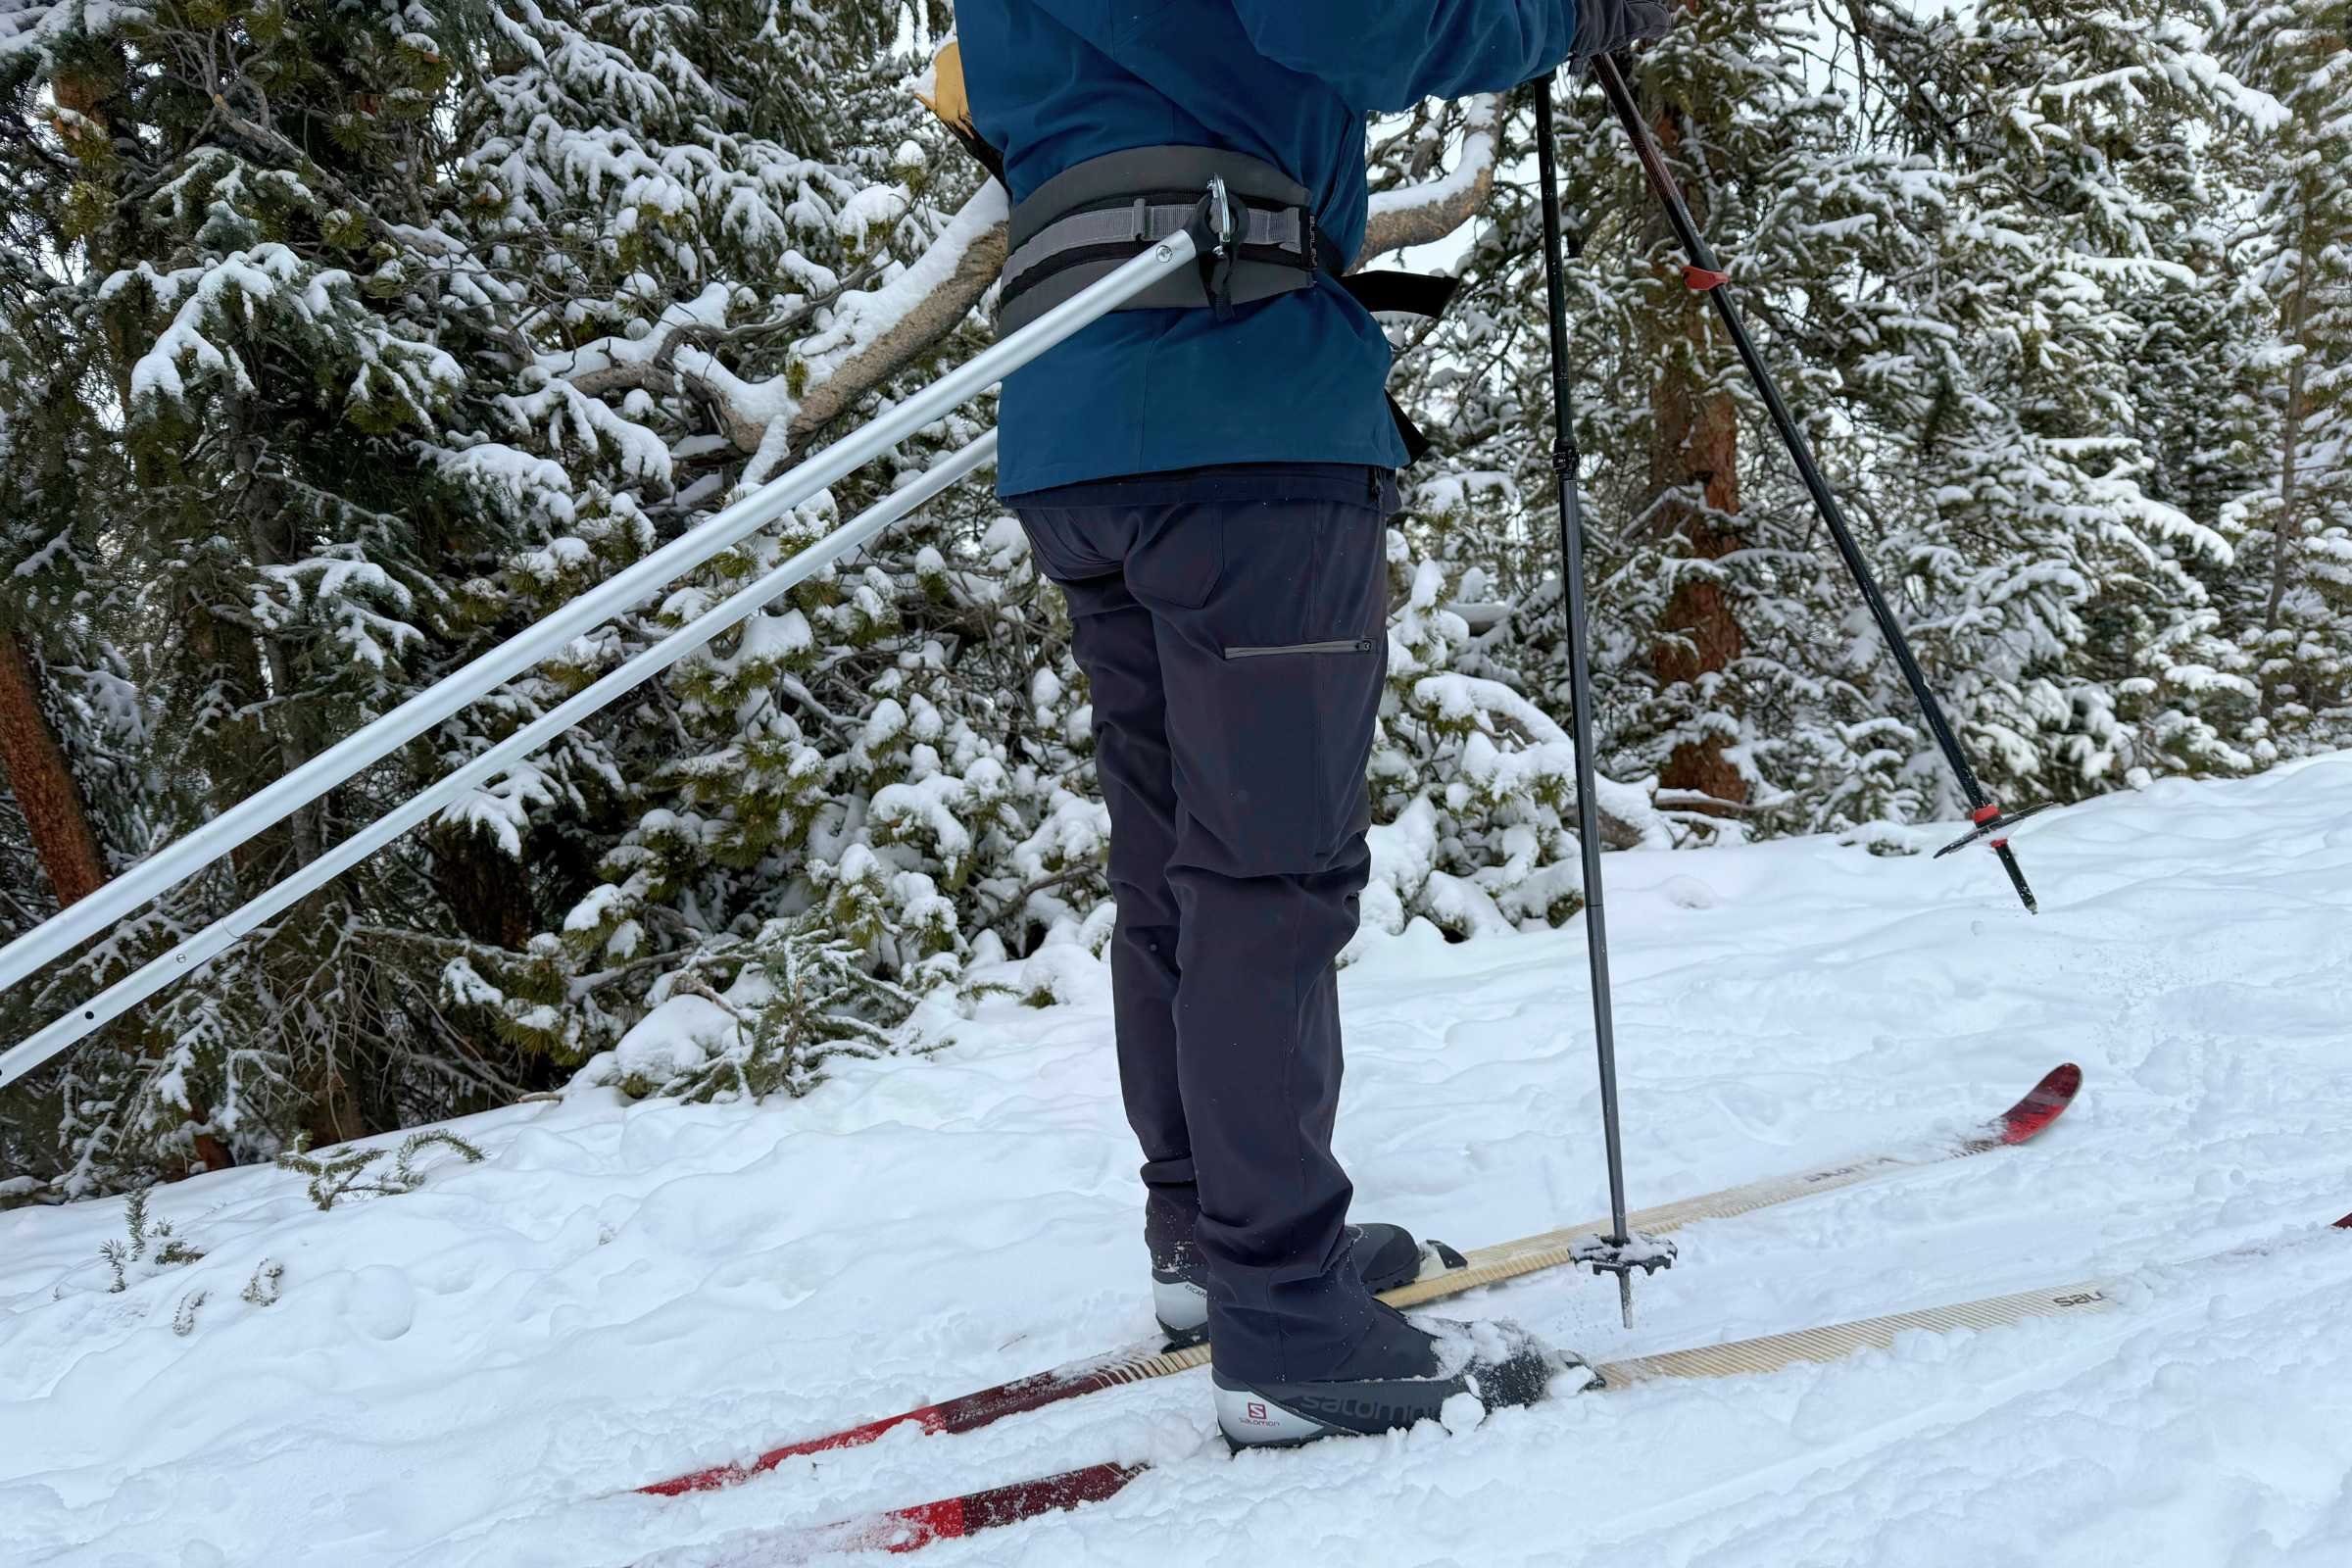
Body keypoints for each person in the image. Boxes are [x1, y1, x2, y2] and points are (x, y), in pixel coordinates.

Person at [955, 0, 1669, 1448]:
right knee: (1265, 879)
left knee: (1177, 871)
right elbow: (1358, 23)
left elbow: (990, 93)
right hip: (1240, 405)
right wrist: (1574, 16)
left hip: (1079, 419)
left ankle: (1212, 1249)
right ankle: (1282, 1315)